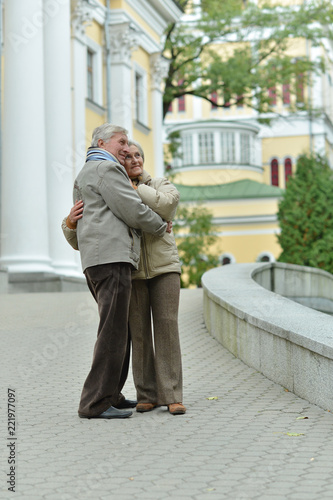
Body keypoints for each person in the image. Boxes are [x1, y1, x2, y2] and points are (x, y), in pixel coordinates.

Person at [63, 140, 186, 415]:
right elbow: (87, 233)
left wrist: (135, 188)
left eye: (138, 155)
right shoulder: (112, 190)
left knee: (167, 328)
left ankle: (173, 394)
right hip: (132, 271)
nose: (134, 160)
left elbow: (167, 206)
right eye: (127, 156)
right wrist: (68, 223)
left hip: (165, 268)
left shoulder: (158, 185)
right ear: (119, 162)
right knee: (139, 334)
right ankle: (147, 394)